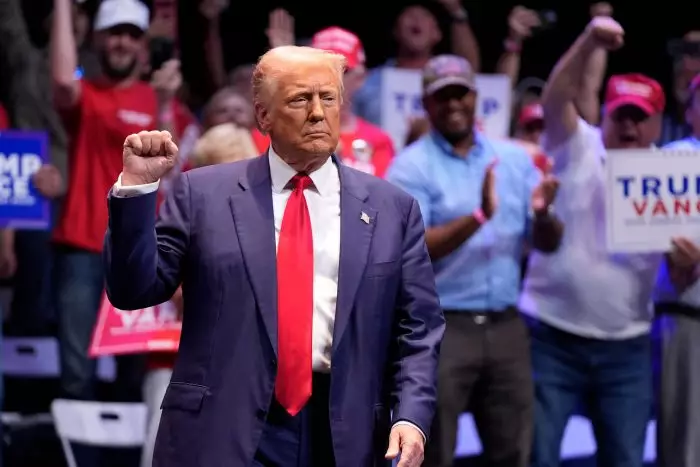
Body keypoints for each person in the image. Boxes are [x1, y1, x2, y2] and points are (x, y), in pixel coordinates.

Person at [104, 46, 445, 467]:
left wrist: (411, 416)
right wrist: (137, 189)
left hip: (343, 434)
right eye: (301, 99)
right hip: (222, 428)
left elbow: (418, 328)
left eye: (328, 98)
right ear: (263, 116)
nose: (318, 113)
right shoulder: (203, 194)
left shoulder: (393, 209)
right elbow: (132, 290)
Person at [521, 16, 700, 467]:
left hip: (628, 343)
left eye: (641, 118)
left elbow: (679, 279)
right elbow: (555, 96)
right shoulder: (578, 145)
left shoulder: (673, 175)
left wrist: (687, 265)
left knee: (624, 459)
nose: (629, 127)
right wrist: (588, 42)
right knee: (539, 457)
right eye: (622, 114)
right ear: (604, 114)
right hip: (553, 337)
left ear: (658, 123)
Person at [386, 55, 561, 467]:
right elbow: (413, 247)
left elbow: (549, 243)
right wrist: (479, 216)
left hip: (507, 324)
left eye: (460, 94)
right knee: (433, 451)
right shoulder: (409, 167)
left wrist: (543, 216)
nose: (453, 104)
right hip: (441, 327)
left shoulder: (513, 160)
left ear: (475, 97)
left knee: (513, 452)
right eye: (442, 96)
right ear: (426, 104)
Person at [50, 0, 180, 401]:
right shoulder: (88, 94)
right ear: (97, 39)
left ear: (143, 45)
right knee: (76, 371)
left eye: (132, 34)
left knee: (134, 371)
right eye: (114, 33)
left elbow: (172, 169)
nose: (123, 42)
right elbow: (62, 80)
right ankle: (76, 441)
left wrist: (164, 105)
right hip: (81, 245)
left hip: (138, 248)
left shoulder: (156, 98)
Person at [654, 72, 700, 467]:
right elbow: (641, 229)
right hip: (686, 317)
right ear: (690, 111)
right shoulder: (670, 159)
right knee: (683, 442)